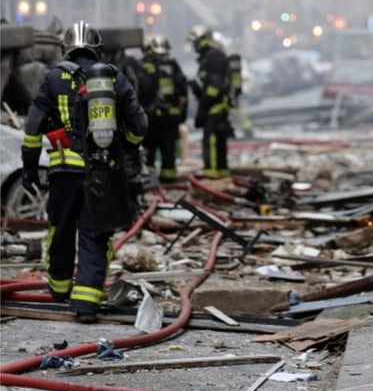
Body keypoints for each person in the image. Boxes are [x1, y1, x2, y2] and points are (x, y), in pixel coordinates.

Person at [20, 21, 148, 322]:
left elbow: (33, 127)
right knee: (94, 234)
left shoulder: (52, 79)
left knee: (60, 230)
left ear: (66, 48)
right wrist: (125, 149)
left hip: (63, 170)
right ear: (98, 49)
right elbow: (139, 126)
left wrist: (29, 167)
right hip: (102, 173)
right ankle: (86, 304)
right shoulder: (113, 78)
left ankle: (60, 288)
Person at [138, 35, 188, 182]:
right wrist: (182, 113)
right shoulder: (173, 65)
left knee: (149, 148)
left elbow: (139, 91)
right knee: (168, 149)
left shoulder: (143, 66)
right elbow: (183, 91)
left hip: (151, 117)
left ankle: (151, 180)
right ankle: (168, 179)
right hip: (170, 117)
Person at [187, 25, 231, 178]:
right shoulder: (208, 58)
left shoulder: (215, 58)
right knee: (217, 142)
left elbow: (213, 89)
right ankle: (221, 172)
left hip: (215, 108)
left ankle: (212, 175)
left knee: (212, 142)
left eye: (195, 43)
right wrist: (197, 89)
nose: (194, 47)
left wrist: (203, 109)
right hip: (212, 106)